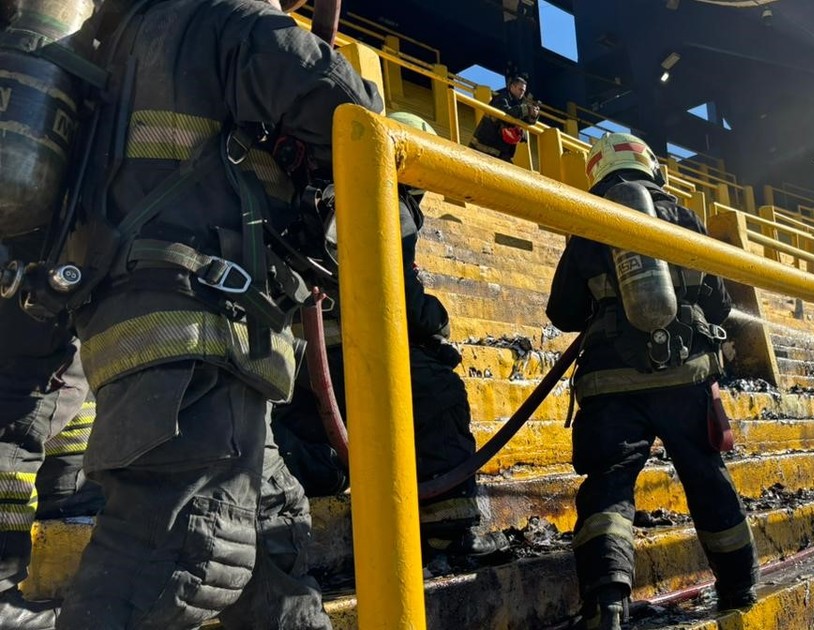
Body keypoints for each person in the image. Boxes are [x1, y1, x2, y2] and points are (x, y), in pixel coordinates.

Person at [56, 0, 382, 627]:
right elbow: (350, 111)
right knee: (192, 555)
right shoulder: (230, 19)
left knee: (274, 541)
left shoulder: (118, 34)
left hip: (143, 331)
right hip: (201, 330)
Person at [273, 111, 509, 562]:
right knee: (441, 396)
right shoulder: (385, 198)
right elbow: (400, 291)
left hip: (301, 360)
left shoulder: (329, 193)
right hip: (355, 351)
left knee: (322, 448)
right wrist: (437, 321)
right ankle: (450, 532)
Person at [546, 133, 758, 629]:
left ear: (597, 174)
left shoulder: (588, 223)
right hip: (686, 380)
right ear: (650, 166)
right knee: (707, 478)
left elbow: (562, 312)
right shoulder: (684, 216)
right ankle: (739, 586)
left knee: (609, 487)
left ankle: (608, 602)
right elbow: (719, 302)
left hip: (611, 388)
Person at [0, 233, 99, 629]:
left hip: (53, 253)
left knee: (73, 400)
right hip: (30, 258)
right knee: (16, 426)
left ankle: (64, 535)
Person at [468, 72, 540, 163]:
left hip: (500, 151)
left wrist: (534, 114)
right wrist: (527, 109)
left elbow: (526, 120)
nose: (522, 93)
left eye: (523, 91)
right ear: (512, 87)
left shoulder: (517, 103)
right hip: (481, 148)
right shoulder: (501, 99)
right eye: (520, 90)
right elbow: (510, 112)